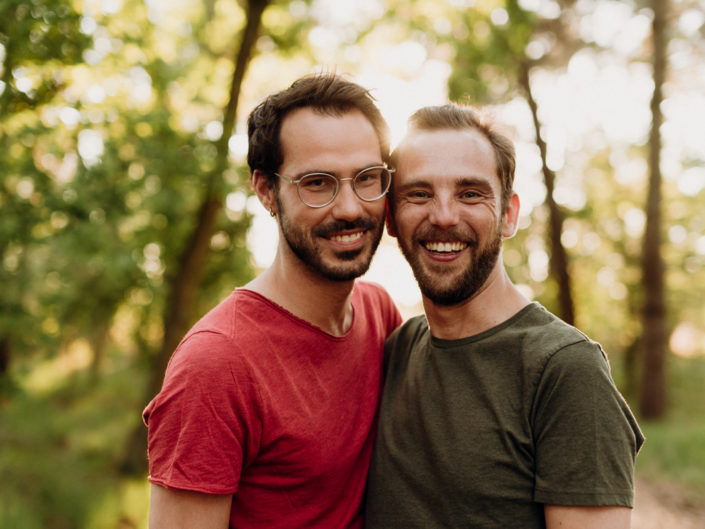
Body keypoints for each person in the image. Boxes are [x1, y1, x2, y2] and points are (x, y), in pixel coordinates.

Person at [365, 103, 644, 529]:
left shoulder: (565, 369)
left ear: (509, 214)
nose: (443, 216)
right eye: (418, 194)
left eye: (470, 193)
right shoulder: (398, 350)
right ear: (391, 217)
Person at [142, 73, 402, 529]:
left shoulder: (380, 314)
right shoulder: (216, 365)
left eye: (367, 178)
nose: (349, 208)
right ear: (266, 191)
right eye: (317, 183)